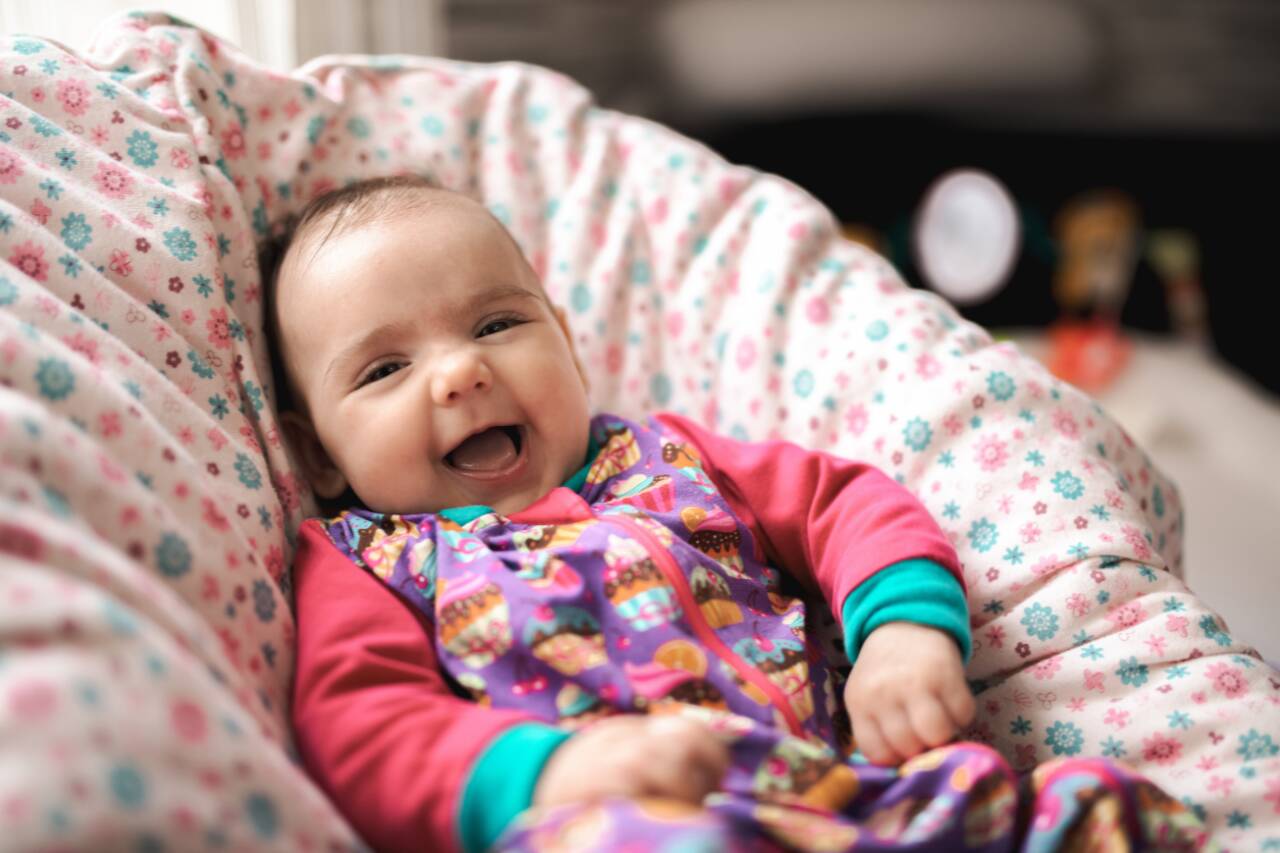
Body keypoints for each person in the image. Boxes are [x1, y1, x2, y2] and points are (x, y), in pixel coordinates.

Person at [264, 176, 1196, 853]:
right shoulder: (368, 560)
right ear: (318, 455)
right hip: (614, 816)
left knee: (1092, 805)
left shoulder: (667, 457)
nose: (459, 371)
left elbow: (846, 502)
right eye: (385, 370)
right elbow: (365, 722)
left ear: (569, 350)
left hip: (846, 797)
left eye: (497, 325)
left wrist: (903, 635)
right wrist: (544, 775)